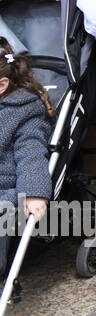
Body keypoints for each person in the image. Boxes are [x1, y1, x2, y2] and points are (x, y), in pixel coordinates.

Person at [0, 41, 53, 297]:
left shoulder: (24, 112)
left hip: (6, 188)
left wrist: (34, 192)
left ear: (2, 85)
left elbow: (30, 153)